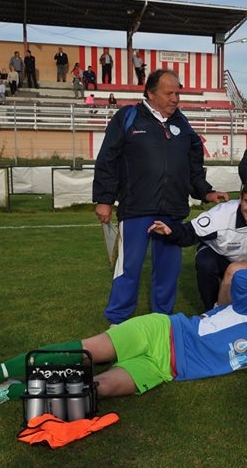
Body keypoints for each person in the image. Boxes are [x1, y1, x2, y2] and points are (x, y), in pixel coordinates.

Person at [0, 264, 247, 406]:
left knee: (98, 388)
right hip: (161, 332)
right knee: (84, 354)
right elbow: (241, 278)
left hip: (164, 370)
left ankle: (10, 392)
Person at [93, 68, 229, 325]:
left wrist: (206, 191)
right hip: (136, 209)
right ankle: (118, 320)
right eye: (169, 93)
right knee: (128, 268)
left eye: (177, 92)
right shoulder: (128, 117)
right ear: (150, 93)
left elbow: (193, 168)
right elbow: (107, 159)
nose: (175, 98)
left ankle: (160, 319)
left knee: (168, 271)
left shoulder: (183, 124)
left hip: (172, 212)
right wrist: (104, 199)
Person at [148, 179, 247, 311]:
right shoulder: (221, 215)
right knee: (205, 262)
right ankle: (211, 311)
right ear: (240, 198)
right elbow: (190, 232)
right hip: (219, 254)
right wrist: (170, 231)